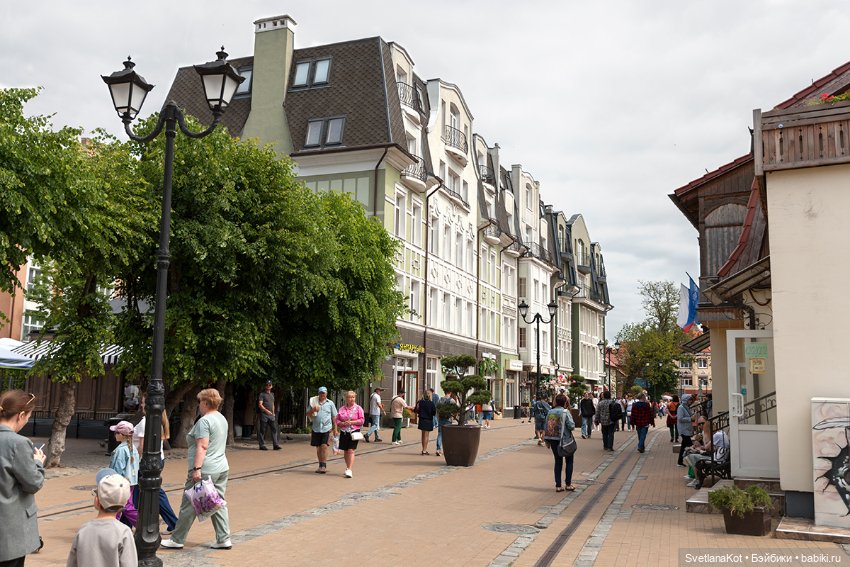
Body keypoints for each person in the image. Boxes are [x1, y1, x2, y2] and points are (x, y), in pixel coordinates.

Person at [161, 388, 232, 551]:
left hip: (206, 468)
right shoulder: (221, 418)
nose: (199, 404)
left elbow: (202, 445)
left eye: (200, 401)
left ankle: (177, 538)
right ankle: (224, 538)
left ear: (206, 403)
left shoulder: (205, 421)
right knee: (217, 502)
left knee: (189, 504)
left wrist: (197, 469)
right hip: (221, 467)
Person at [0, 390, 45, 567]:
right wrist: (38, 463)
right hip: (10, 531)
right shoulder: (18, 443)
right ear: (20, 415)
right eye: (28, 417)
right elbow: (33, 483)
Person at [67, 468, 138, 567]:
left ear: (97, 501)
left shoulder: (83, 530)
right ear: (124, 503)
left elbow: (72, 563)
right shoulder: (124, 532)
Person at [132, 396, 178, 535]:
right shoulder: (154, 420)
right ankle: (133, 522)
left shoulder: (146, 422)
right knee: (141, 491)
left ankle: (173, 522)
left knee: (150, 491)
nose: (141, 404)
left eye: (144, 402)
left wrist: (134, 462)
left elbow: (142, 446)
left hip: (145, 462)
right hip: (156, 460)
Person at [543, 394, 576, 492]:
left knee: (558, 461)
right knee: (569, 461)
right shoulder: (565, 412)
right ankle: (568, 484)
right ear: (565, 402)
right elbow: (571, 426)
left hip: (553, 439)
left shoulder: (550, 412)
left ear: (555, 402)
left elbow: (547, 426)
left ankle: (558, 485)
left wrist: (547, 440)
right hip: (565, 440)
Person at [109, 420, 139, 528]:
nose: (114, 435)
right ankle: (113, 525)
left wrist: (110, 480)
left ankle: (143, 523)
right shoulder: (132, 448)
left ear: (121, 435)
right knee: (123, 505)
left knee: (120, 506)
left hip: (121, 482)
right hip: (131, 482)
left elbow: (117, 469)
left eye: (116, 433)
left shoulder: (120, 450)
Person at [306, 386, 338, 473]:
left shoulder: (330, 403)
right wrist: (313, 410)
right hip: (316, 428)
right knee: (318, 447)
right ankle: (320, 465)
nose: (322, 394)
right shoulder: (313, 402)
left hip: (326, 428)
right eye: (320, 393)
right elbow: (307, 414)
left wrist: (335, 429)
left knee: (324, 446)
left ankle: (323, 465)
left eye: (323, 393)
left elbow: (334, 417)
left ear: (326, 394)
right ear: (318, 393)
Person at [335, 391, 363, 478]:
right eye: (349, 397)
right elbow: (337, 420)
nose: (351, 399)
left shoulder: (358, 408)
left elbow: (362, 420)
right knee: (346, 451)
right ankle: (347, 467)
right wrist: (342, 424)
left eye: (353, 397)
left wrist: (351, 422)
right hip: (344, 432)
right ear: (346, 398)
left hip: (354, 431)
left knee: (351, 450)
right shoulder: (341, 409)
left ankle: (350, 469)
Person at [256, 380, 281, 451]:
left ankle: (275, 444)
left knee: (274, 429)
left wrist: (273, 413)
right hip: (264, 415)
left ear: (271, 386)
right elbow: (260, 405)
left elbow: (272, 404)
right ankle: (262, 445)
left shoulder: (272, 394)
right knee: (263, 430)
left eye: (269, 385)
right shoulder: (262, 394)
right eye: (267, 385)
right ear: (265, 386)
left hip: (271, 415)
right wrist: (267, 411)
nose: (268, 386)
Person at [414, 391, 436, 455]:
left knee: (423, 435)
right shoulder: (431, 403)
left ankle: (423, 449)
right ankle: (424, 450)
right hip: (428, 420)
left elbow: (416, 410)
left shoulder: (420, 402)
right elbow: (434, 413)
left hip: (421, 420)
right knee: (426, 436)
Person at [435, 392, 457, 457]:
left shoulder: (440, 399)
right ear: (450, 392)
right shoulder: (451, 400)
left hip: (441, 419)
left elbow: (437, 409)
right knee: (448, 435)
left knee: (440, 434)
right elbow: (455, 409)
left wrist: (438, 417)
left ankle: (438, 449)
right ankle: (448, 449)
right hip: (448, 419)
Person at [677, 394, 695, 467]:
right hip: (684, 430)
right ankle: (692, 463)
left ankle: (680, 461)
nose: (691, 401)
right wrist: (690, 419)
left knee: (683, 446)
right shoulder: (681, 407)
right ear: (686, 400)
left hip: (686, 429)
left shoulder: (686, 407)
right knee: (690, 446)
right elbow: (680, 418)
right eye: (689, 400)